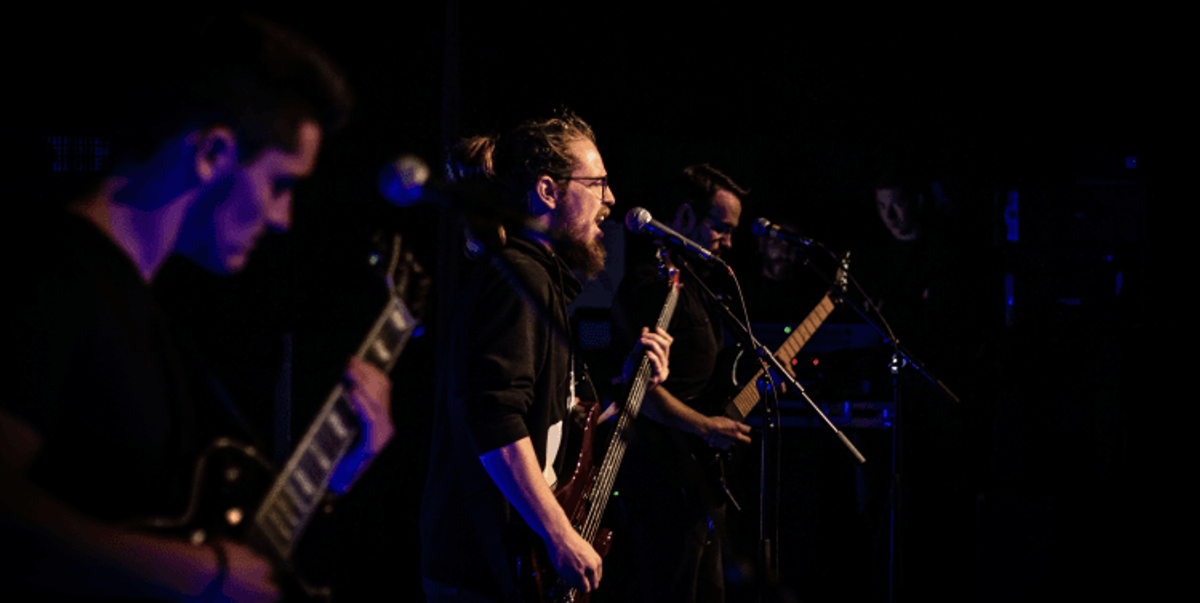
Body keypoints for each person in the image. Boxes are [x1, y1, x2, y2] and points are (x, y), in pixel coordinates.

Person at [1, 14, 392, 602]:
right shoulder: (51, 275)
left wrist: (337, 475)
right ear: (212, 153)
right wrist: (199, 572)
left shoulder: (146, 312)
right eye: (279, 185)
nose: (283, 219)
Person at [419, 111, 672, 602]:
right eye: (597, 183)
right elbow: (493, 417)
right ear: (548, 192)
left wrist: (634, 387)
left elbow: (553, 433)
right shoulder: (518, 278)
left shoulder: (541, 281)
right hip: (481, 573)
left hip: (502, 567)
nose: (611, 199)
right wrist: (559, 534)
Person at [608, 163, 753, 603]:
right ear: (686, 217)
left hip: (694, 475)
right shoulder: (656, 284)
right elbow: (638, 389)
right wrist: (707, 428)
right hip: (663, 477)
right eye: (721, 228)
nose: (728, 242)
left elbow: (697, 380)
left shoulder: (692, 284)